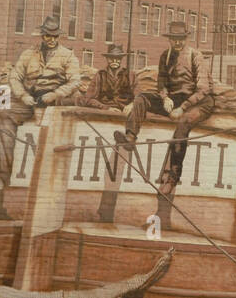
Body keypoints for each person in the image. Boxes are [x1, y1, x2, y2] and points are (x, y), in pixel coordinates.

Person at [115, 21, 214, 184]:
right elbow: (161, 82)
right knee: (142, 98)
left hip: (199, 102)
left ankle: (174, 175)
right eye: (174, 39)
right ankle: (130, 137)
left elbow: (203, 89)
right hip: (175, 99)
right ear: (169, 39)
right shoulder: (165, 56)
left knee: (183, 124)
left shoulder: (195, 56)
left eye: (181, 38)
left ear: (185, 38)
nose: (178, 42)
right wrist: (164, 97)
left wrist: (182, 108)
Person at [0, 16, 81, 188]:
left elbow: (75, 81)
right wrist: (23, 96)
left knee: (53, 132)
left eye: (55, 36)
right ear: (42, 35)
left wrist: (55, 94)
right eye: (48, 36)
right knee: (4, 114)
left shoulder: (68, 56)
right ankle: (2, 177)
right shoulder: (28, 54)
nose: (52, 40)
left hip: (54, 101)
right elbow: (15, 77)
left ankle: (49, 181)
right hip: (30, 99)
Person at [74, 43, 137, 109]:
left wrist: (132, 105)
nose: (114, 61)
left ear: (121, 59)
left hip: (125, 111)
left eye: (118, 58)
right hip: (105, 111)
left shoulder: (130, 75)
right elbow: (89, 98)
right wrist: (106, 108)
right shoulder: (100, 75)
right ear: (107, 58)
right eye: (111, 58)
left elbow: (139, 96)